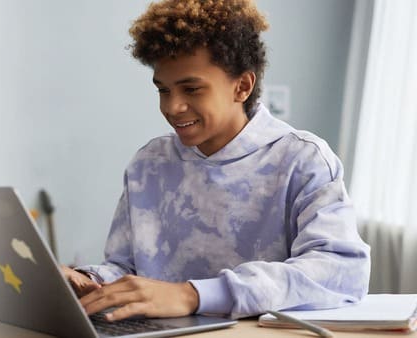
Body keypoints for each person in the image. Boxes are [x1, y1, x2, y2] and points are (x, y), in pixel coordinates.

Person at [61, 0, 370, 321]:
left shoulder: (302, 159)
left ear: (242, 86)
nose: (172, 107)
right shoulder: (149, 162)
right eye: (163, 90)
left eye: (191, 89)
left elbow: (341, 270)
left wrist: (193, 294)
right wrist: (88, 281)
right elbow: (125, 268)